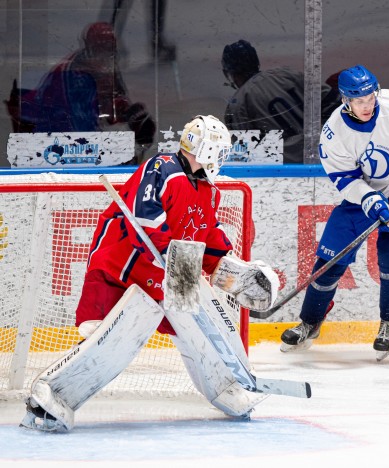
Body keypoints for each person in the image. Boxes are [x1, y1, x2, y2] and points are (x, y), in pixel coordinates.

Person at [20, 115, 280, 431]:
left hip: (176, 266)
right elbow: (144, 216)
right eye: (220, 150)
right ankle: (49, 397)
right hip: (125, 260)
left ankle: (231, 388)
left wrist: (233, 275)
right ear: (206, 149)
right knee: (113, 337)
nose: (223, 158)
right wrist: (168, 251)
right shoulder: (162, 168)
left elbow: (206, 239)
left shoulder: (210, 193)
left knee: (203, 329)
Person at [279, 64, 389, 361]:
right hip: (362, 194)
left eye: (370, 98)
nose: (367, 106)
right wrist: (369, 199)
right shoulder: (334, 134)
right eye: (359, 101)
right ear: (345, 100)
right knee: (330, 259)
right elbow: (346, 181)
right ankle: (310, 321)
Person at [5, 22, 156, 164]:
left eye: (111, 51)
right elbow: (82, 134)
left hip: (76, 140)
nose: (109, 58)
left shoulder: (104, 68)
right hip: (54, 144)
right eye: (104, 50)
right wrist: (120, 151)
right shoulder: (75, 77)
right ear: (91, 49)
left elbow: (113, 105)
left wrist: (130, 115)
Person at [221, 39, 341, 164]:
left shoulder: (237, 103)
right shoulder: (288, 74)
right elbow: (335, 104)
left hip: (286, 173)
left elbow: (246, 155)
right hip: (326, 158)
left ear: (229, 72)